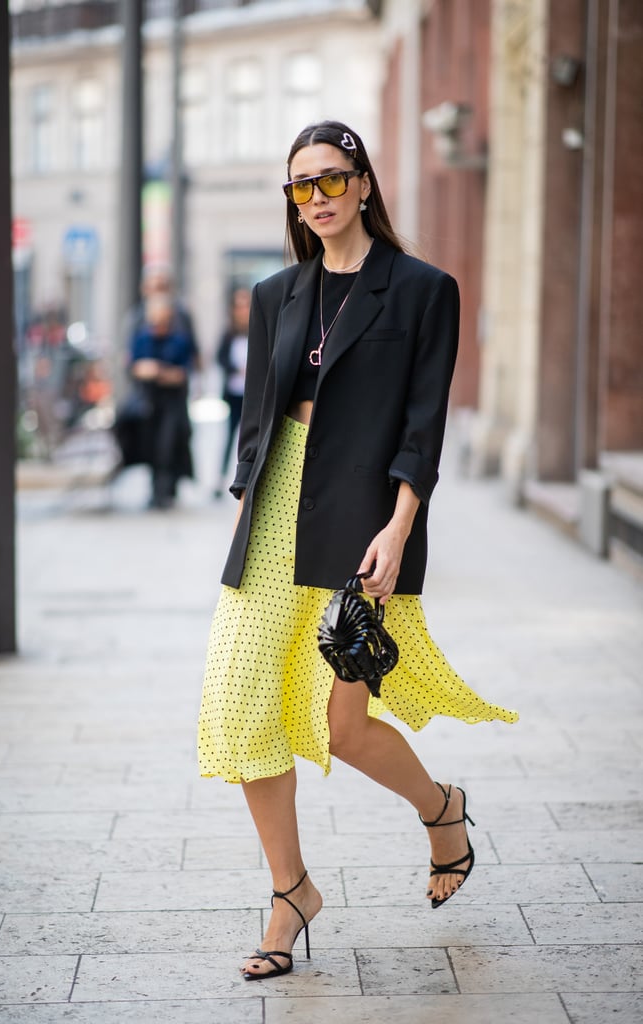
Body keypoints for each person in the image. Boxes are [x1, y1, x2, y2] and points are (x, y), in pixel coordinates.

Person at [197, 120, 518, 980]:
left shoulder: (421, 289)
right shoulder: (275, 294)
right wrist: (240, 515)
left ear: (365, 183)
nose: (320, 197)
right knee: (238, 700)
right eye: (303, 186)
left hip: (365, 511)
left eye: (334, 179)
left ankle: (441, 808)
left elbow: (425, 421)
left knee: (342, 726)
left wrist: (401, 523)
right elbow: (257, 421)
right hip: (274, 513)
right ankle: (289, 890)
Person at [128, 292, 195, 508]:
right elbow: (134, 367)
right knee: (151, 445)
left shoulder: (179, 340)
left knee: (168, 444)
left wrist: (157, 371)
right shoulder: (142, 339)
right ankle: (155, 489)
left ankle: (166, 490)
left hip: (172, 402)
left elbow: (182, 373)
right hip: (148, 401)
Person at [214, 287, 251, 496]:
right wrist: (236, 369)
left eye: (245, 305)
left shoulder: (259, 327)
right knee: (229, 437)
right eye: (238, 306)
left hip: (253, 396)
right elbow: (220, 358)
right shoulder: (229, 333)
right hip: (234, 393)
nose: (242, 310)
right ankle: (221, 479)